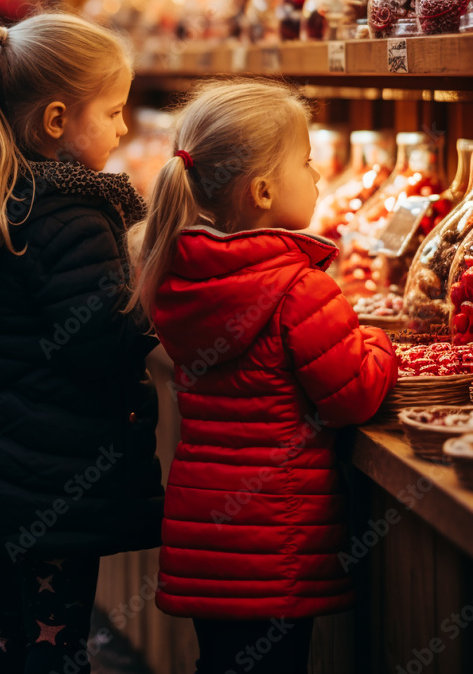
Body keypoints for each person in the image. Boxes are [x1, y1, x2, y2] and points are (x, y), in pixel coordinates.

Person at [0, 12, 164, 674]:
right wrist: (152, 310)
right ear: (55, 122)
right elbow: (100, 341)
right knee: (58, 646)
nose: (123, 129)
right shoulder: (71, 217)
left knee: (11, 637)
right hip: (58, 475)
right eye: (113, 112)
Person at [127, 78, 398, 674]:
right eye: (306, 162)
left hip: (207, 536)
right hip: (274, 543)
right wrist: (381, 343)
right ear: (264, 189)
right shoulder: (299, 287)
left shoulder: (178, 275)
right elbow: (352, 395)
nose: (319, 175)